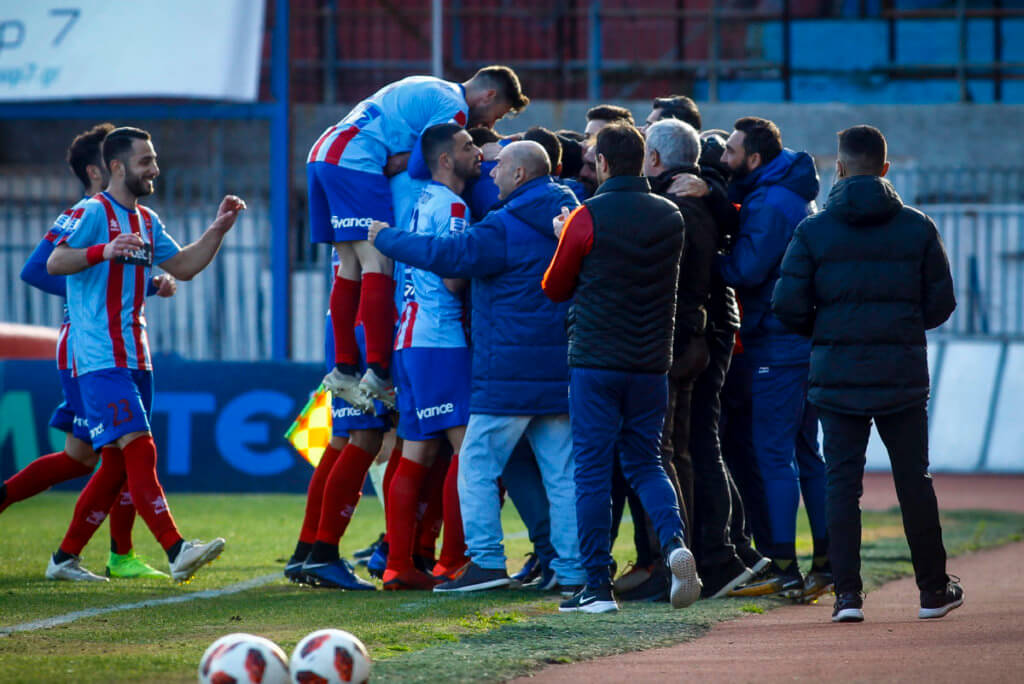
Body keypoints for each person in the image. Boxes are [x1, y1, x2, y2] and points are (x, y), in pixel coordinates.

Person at [371, 140, 586, 594]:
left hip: (506, 371)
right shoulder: (575, 216)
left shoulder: (503, 228)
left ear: (521, 175)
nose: (491, 173)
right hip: (559, 369)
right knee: (563, 474)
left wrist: (386, 237)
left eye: (501, 166)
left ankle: (486, 561)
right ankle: (572, 570)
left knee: (474, 465)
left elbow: (448, 258)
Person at [772, 124, 961, 623]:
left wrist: (828, 331)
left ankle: (847, 596)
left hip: (836, 377)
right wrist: (899, 326)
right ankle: (933, 591)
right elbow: (942, 302)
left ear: (837, 168)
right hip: (901, 374)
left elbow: (786, 305)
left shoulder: (813, 230)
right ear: (884, 169)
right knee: (914, 483)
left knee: (841, 486)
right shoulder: (917, 225)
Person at [45, 126, 242, 583]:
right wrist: (103, 250)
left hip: (138, 356)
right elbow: (54, 262)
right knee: (140, 446)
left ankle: (64, 558)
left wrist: (218, 228)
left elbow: (185, 267)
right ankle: (176, 550)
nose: (154, 168)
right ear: (116, 167)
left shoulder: (147, 221)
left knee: (114, 465)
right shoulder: (92, 211)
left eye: (153, 160)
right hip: (99, 357)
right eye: (145, 161)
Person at [2, 123, 174, 581]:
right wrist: (93, 287)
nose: (148, 169)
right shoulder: (82, 214)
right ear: (100, 170)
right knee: (121, 448)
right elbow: (37, 269)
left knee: (84, 457)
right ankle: (122, 552)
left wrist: (139, 285)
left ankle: (104, 553)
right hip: (86, 346)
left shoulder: (133, 219)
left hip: (103, 342)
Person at [542, 122, 701, 614]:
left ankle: (596, 586)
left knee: (591, 470)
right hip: (651, 361)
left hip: (595, 360)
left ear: (604, 164)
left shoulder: (587, 217)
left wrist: (562, 236)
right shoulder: (671, 215)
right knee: (647, 460)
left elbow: (555, 286)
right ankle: (674, 543)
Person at [310, 67, 528, 411]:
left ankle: (344, 367)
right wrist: (406, 159)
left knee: (349, 266)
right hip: (354, 159)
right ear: (488, 96)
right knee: (377, 261)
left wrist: (401, 155)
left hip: (324, 152)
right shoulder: (453, 109)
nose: (486, 127)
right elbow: (418, 167)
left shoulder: (430, 84)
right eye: (494, 116)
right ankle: (379, 371)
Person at [711, 117, 830, 598]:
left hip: (778, 342)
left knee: (773, 454)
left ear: (755, 159)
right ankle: (826, 562)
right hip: (802, 339)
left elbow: (746, 267)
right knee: (807, 453)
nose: (724, 159)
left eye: (732, 152)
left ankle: (783, 565)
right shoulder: (787, 190)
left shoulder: (774, 201)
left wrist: (705, 257)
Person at [644, 118, 757, 599]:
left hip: (681, 339)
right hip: (703, 334)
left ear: (654, 159)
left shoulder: (675, 205)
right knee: (690, 449)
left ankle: (702, 556)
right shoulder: (703, 199)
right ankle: (714, 555)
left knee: (673, 452)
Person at [368, 123, 482, 590]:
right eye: (468, 146)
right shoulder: (454, 205)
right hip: (440, 341)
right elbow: (455, 275)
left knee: (414, 454)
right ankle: (452, 560)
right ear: (445, 160)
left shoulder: (420, 202)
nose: (478, 152)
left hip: (409, 340)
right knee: (469, 451)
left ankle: (399, 564)